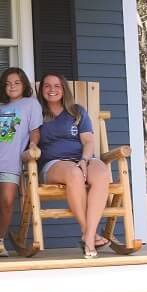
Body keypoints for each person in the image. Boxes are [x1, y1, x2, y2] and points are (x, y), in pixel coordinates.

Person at [37, 72, 111, 259]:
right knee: (74, 174)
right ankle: (89, 234)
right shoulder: (36, 115)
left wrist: (85, 160)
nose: (52, 90)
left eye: (57, 86)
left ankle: (88, 234)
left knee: (102, 172)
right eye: (47, 86)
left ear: (64, 90)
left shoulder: (77, 112)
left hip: (82, 159)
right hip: (54, 164)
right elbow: (30, 141)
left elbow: (88, 141)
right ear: (41, 90)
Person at [0, 67, 42, 256]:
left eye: (16, 82)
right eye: (7, 84)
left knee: (7, 201)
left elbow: (35, 131)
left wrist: (32, 146)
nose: (12, 86)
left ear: (24, 84)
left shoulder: (31, 104)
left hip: (11, 162)